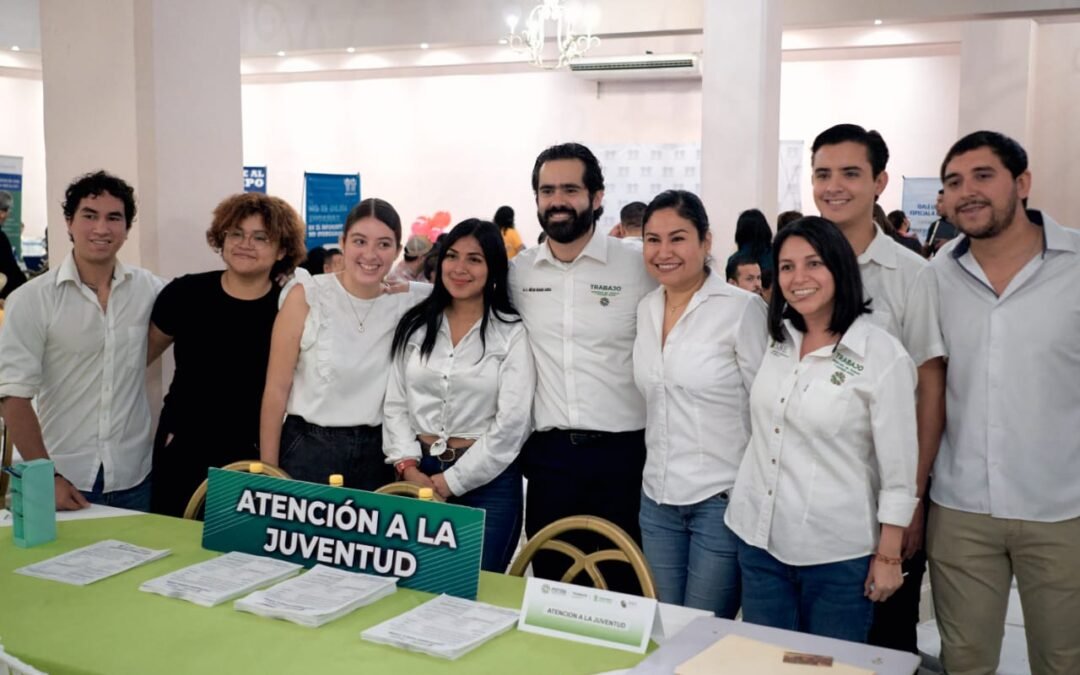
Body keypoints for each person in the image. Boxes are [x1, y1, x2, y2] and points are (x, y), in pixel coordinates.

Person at [926, 131, 1080, 675]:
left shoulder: (1076, 265)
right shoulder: (937, 275)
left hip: (1061, 508)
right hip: (961, 506)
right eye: (953, 182)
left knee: (1063, 661)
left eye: (983, 176)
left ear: (1023, 183)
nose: (967, 192)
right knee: (964, 661)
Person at [725, 216, 918, 643]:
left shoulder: (880, 354)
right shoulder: (777, 340)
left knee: (828, 668)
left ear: (840, 268)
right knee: (765, 665)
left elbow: (899, 469)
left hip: (836, 554)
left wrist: (888, 555)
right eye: (788, 267)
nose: (799, 278)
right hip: (759, 541)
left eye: (814, 264)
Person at [810, 123, 945, 653]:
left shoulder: (910, 274)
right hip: (810, 492)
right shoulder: (798, 265)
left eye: (850, 173)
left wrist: (913, 499)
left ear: (880, 181)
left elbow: (929, 387)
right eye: (822, 174)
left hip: (881, 490)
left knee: (883, 640)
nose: (833, 186)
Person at [509, 142, 656, 592]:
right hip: (550, 463)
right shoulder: (519, 272)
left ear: (597, 196)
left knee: (627, 592)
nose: (557, 200)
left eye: (570, 189)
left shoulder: (639, 266)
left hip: (625, 460)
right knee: (554, 588)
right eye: (547, 190)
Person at [633, 190, 767, 616]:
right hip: (657, 498)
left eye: (678, 238)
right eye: (652, 240)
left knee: (705, 634)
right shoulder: (646, 309)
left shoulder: (741, 310)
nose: (663, 251)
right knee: (666, 627)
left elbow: (767, 408)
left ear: (706, 242)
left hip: (720, 499)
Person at [0, 171, 163, 510]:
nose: (101, 229)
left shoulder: (149, 290)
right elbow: (13, 397)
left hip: (134, 477)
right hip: (62, 477)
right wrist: (47, 475)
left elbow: (204, 302)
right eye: (90, 215)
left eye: (113, 218)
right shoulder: (32, 299)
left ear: (127, 228)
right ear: (68, 222)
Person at [384, 219, 534, 572]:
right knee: (414, 586)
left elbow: (513, 423)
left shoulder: (511, 333)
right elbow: (395, 402)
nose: (460, 268)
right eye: (452, 256)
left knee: (478, 592)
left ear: (493, 267)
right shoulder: (416, 325)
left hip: (488, 482)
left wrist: (451, 482)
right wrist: (407, 466)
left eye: (474, 259)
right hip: (416, 471)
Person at [145, 193, 306, 517]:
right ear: (221, 238)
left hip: (252, 453)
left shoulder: (288, 308)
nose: (246, 244)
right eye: (236, 233)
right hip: (184, 447)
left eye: (261, 237)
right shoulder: (186, 294)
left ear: (282, 250)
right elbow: (137, 359)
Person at [260, 198, 428, 489]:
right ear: (343, 242)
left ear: (398, 252)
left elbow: (463, 291)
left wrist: (411, 286)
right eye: (360, 241)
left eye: (384, 245)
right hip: (307, 449)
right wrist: (269, 472)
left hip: (377, 455)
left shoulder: (403, 304)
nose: (370, 254)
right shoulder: (308, 294)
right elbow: (276, 390)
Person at [0, 191, 27, 301]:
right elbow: (12, 273)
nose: (8, 215)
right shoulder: (1, 238)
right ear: (2, 213)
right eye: (8, 211)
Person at [923, 189, 958, 258]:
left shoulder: (965, 226)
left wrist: (949, 244)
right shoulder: (935, 225)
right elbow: (925, 255)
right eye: (937, 201)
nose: (936, 205)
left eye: (940, 201)